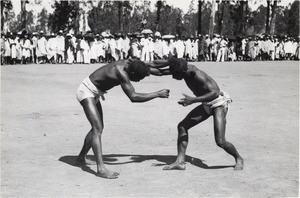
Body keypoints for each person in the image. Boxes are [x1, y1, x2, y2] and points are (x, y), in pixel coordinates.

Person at [76, 59, 170, 179]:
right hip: (86, 91)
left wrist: (174, 64)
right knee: (97, 128)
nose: (139, 81)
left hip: (95, 92)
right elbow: (134, 97)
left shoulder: (132, 63)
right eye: (138, 78)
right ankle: (101, 168)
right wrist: (157, 94)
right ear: (133, 74)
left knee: (98, 127)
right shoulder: (120, 72)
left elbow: (152, 64)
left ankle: (81, 158)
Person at [155, 58, 244, 171]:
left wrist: (193, 100)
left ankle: (239, 158)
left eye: (175, 75)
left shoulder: (197, 75)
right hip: (206, 103)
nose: (173, 77)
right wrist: (143, 67)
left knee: (220, 141)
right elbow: (161, 72)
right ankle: (180, 161)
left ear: (182, 72)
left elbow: (215, 92)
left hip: (218, 104)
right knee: (182, 126)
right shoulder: (182, 69)